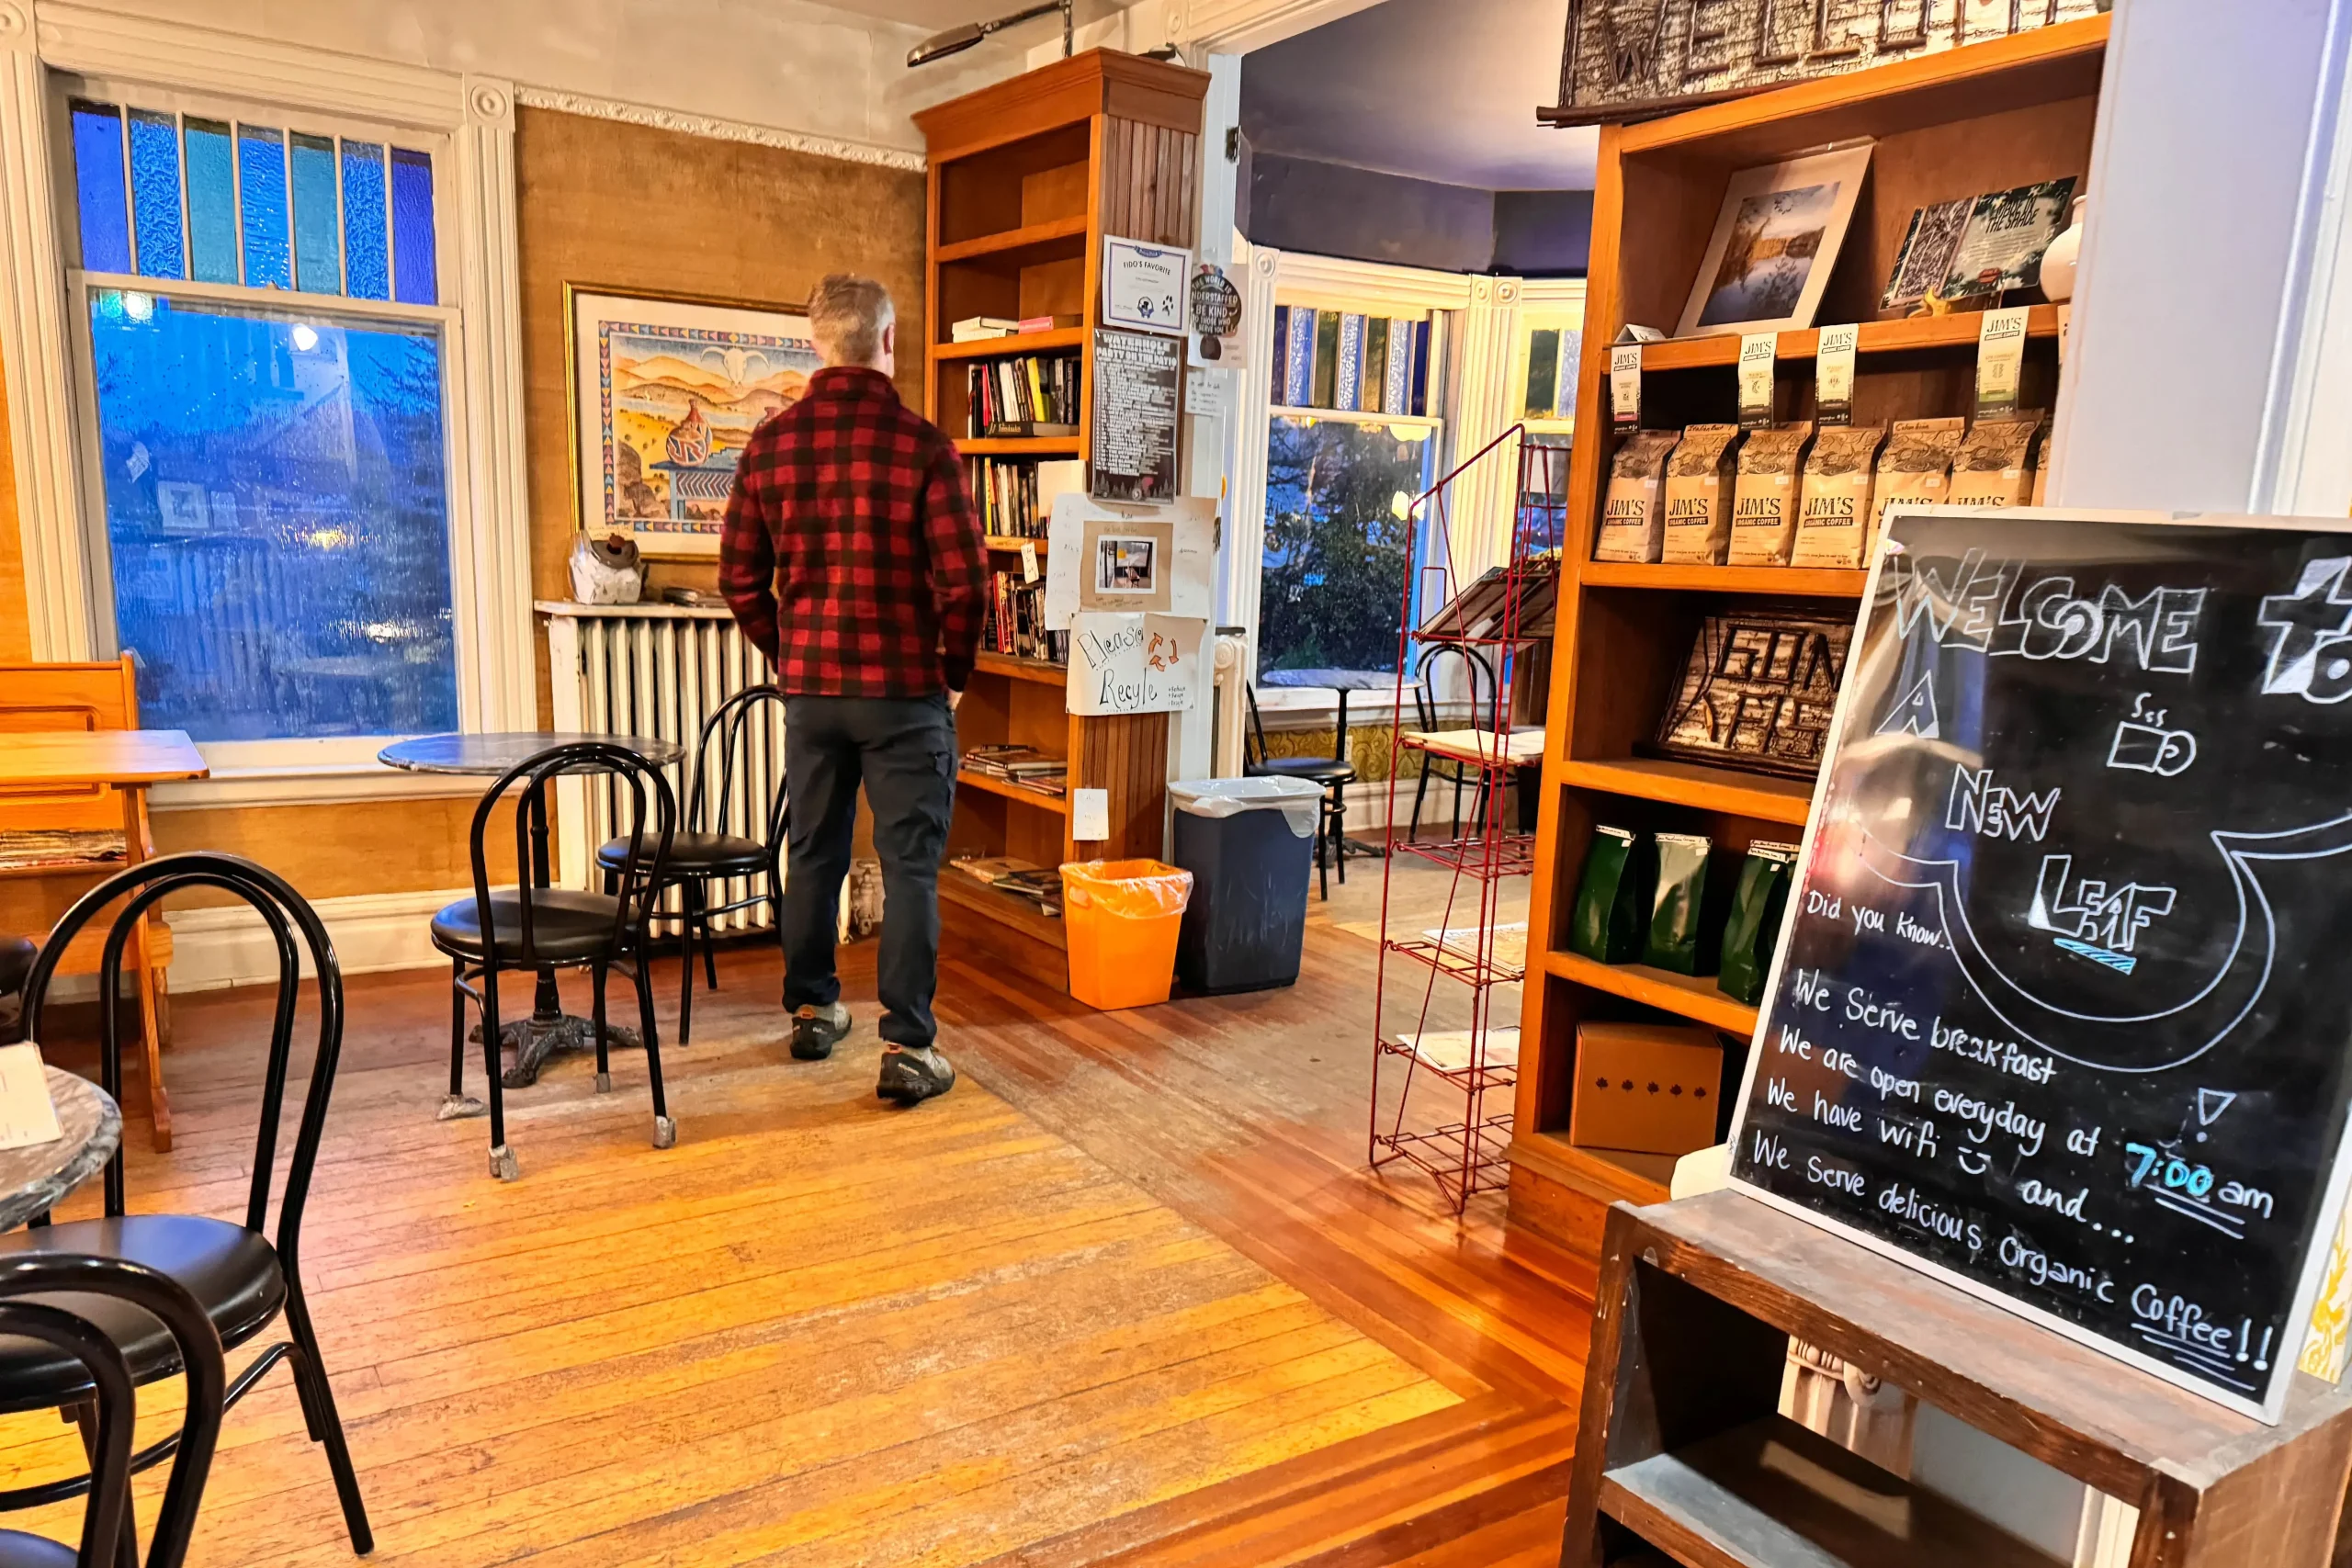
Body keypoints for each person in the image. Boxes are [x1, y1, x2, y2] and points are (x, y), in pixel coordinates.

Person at [718, 274, 988, 1105]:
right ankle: (907, 1047)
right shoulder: (924, 447)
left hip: (814, 696)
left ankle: (812, 1011)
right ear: (887, 338)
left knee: (814, 855)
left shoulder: (770, 446)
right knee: (909, 868)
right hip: (905, 695)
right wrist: (951, 676)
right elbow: (968, 582)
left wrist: (789, 652)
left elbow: (737, 579)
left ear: (816, 344)